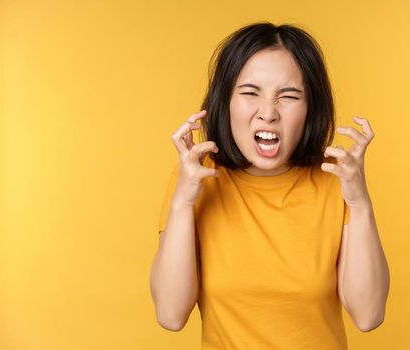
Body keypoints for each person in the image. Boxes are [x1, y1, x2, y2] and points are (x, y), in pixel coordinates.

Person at [149, 22, 390, 349]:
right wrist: (183, 204)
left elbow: (368, 314)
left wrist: (360, 203)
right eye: (249, 93)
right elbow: (170, 314)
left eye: (288, 96)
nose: (268, 113)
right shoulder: (197, 177)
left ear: (310, 108)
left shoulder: (336, 179)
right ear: (226, 101)